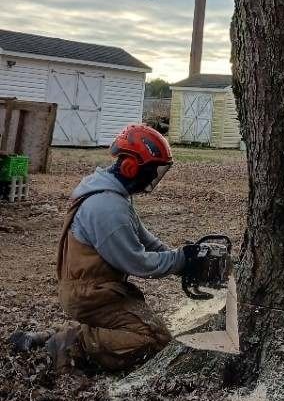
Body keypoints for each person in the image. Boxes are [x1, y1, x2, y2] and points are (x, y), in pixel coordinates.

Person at [10, 124, 186, 372]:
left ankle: (45, 336)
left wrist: (183, 259)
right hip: (91, 295)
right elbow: (138, 263)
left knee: (148, 329)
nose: (152, 178)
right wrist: (180, 261)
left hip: (98, 288)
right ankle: (67, 345)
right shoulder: (106, 206)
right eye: (151, 172)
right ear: (131, 167)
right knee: (154, 340)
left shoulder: (112, 193)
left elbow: (146, 239)